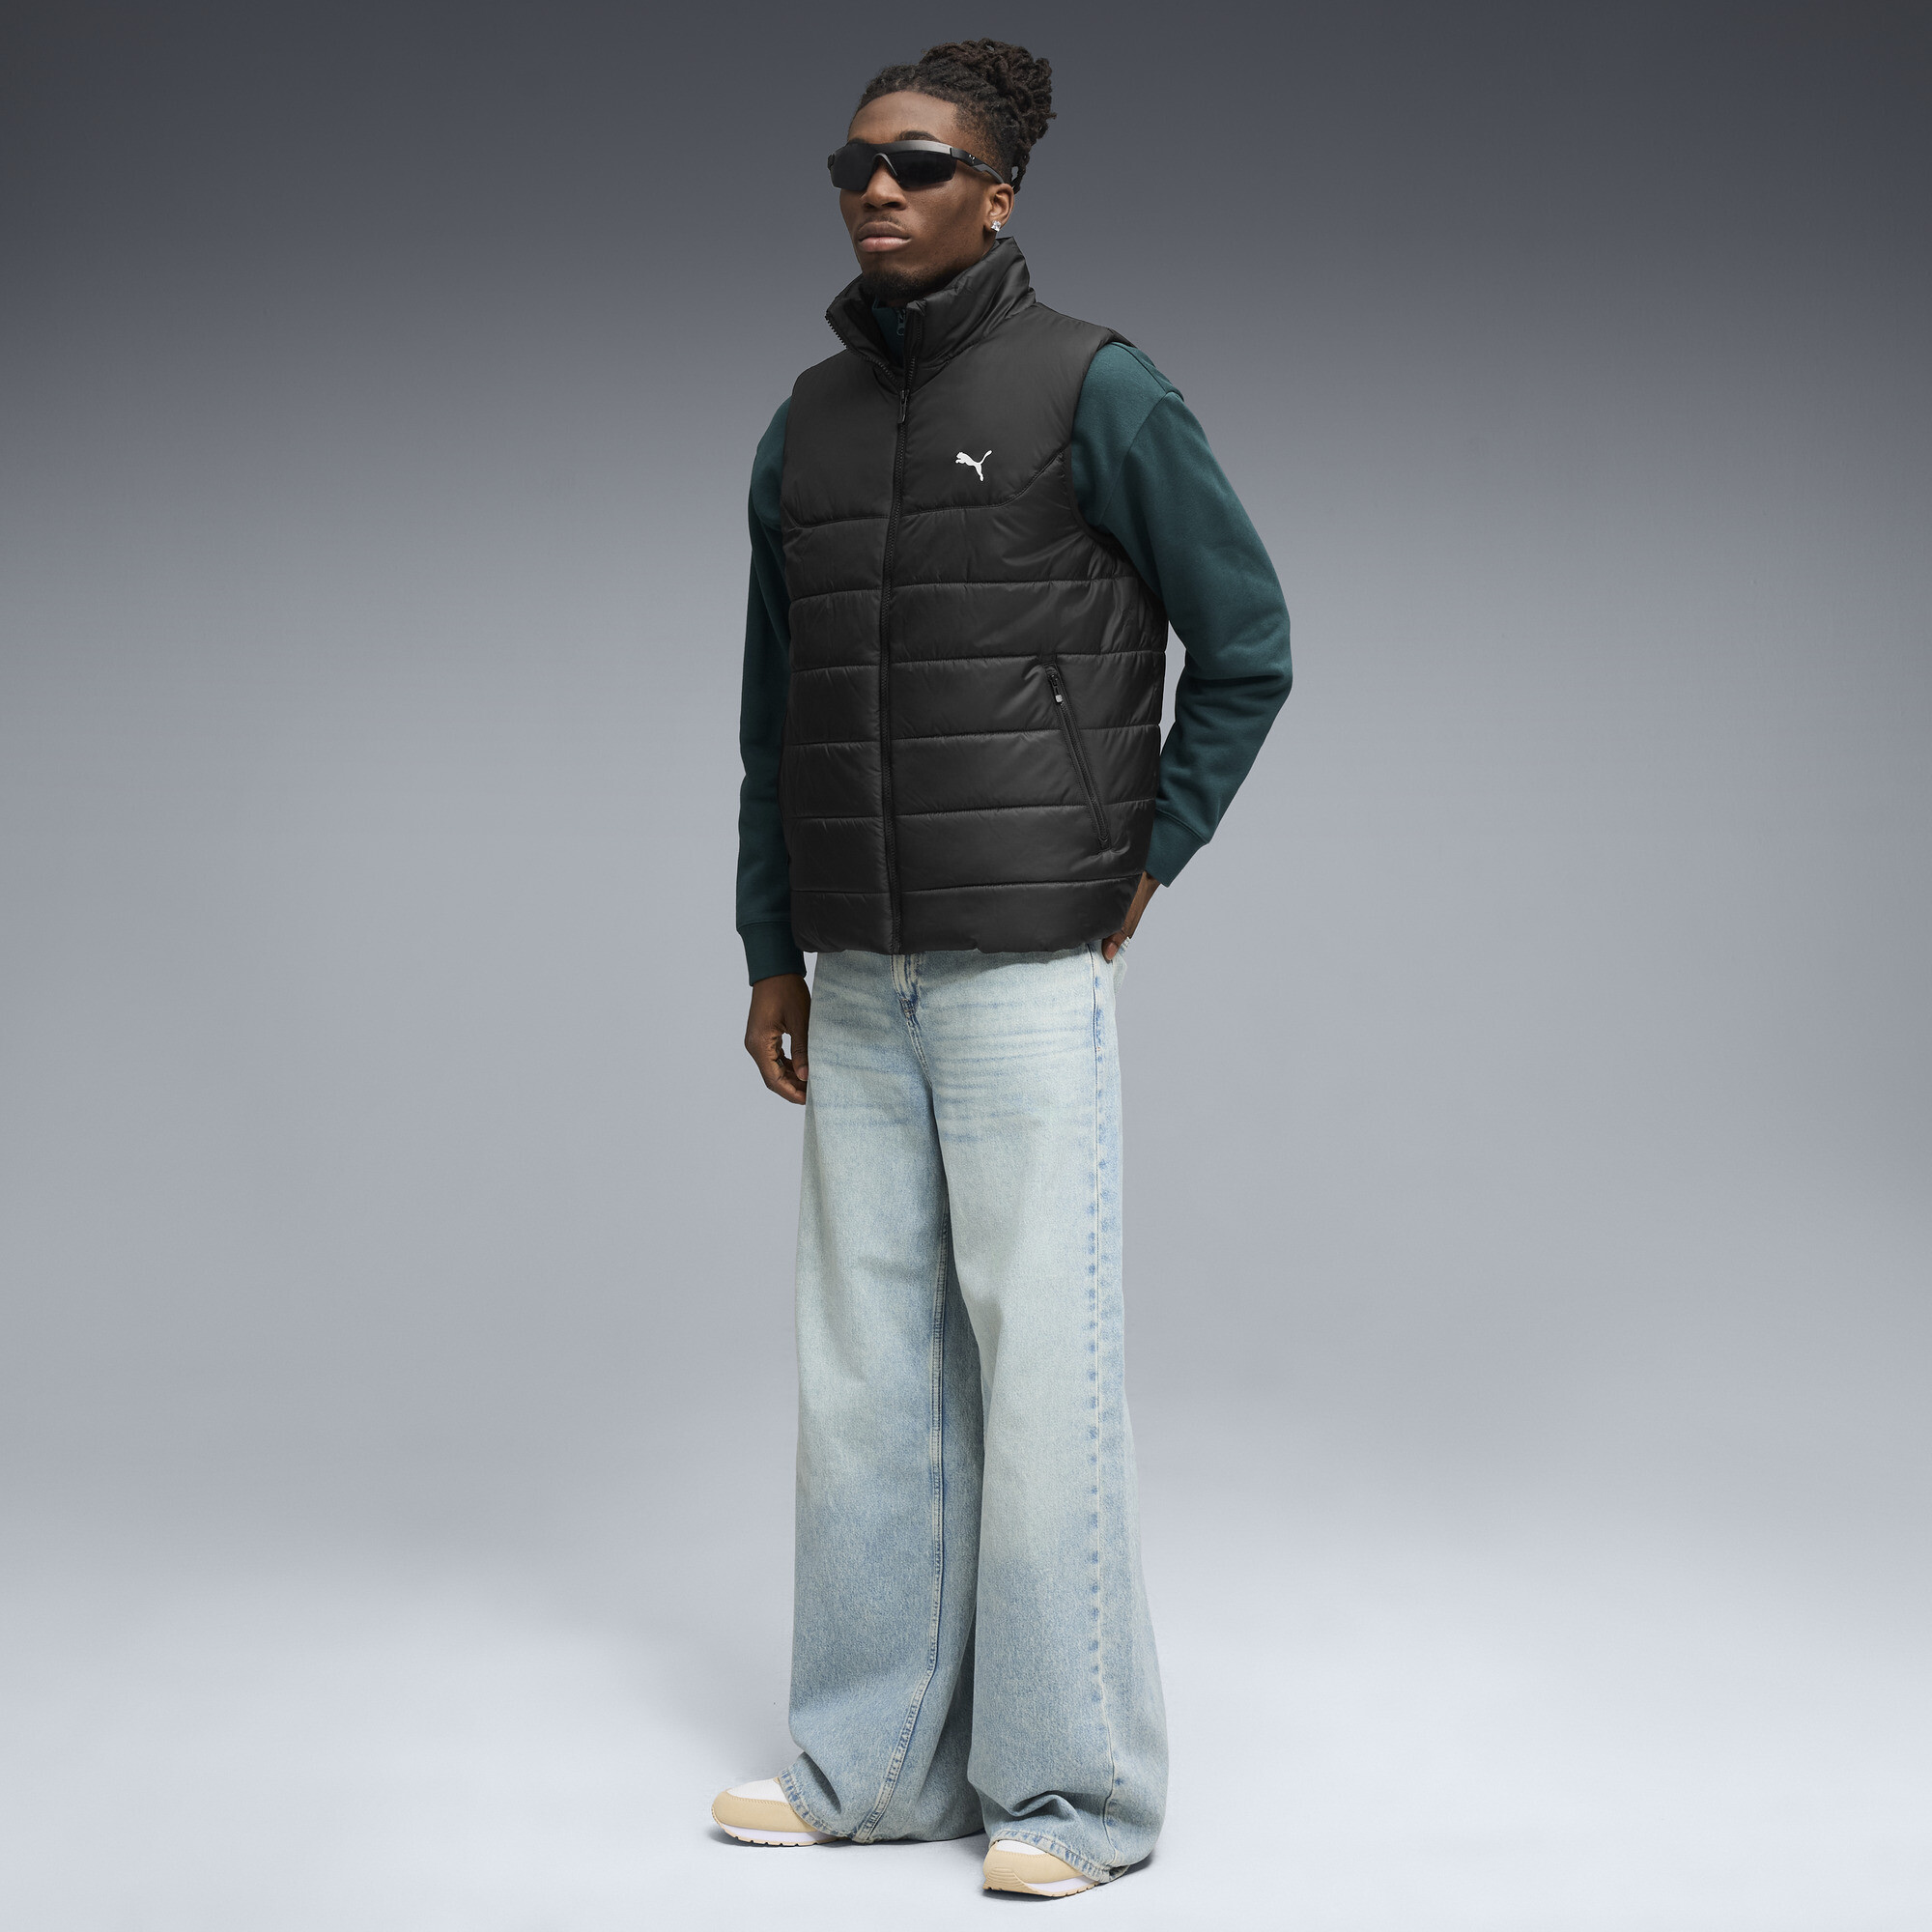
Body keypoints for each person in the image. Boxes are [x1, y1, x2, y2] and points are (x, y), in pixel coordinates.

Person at [713, 39, 1293, 1900]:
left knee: (1042, 1379)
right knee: (865, 1380)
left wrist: (1150, 850)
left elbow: (1250, 640)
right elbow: (774, 716)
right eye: (852, 166)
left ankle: (1074, 1797)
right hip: (856, 970)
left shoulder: (1092, 387)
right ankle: (869, 1767)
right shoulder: (804, 422)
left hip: (1023, 965)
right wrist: (772, 944)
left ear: (998, 191)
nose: (877, 192)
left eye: (917, 164)